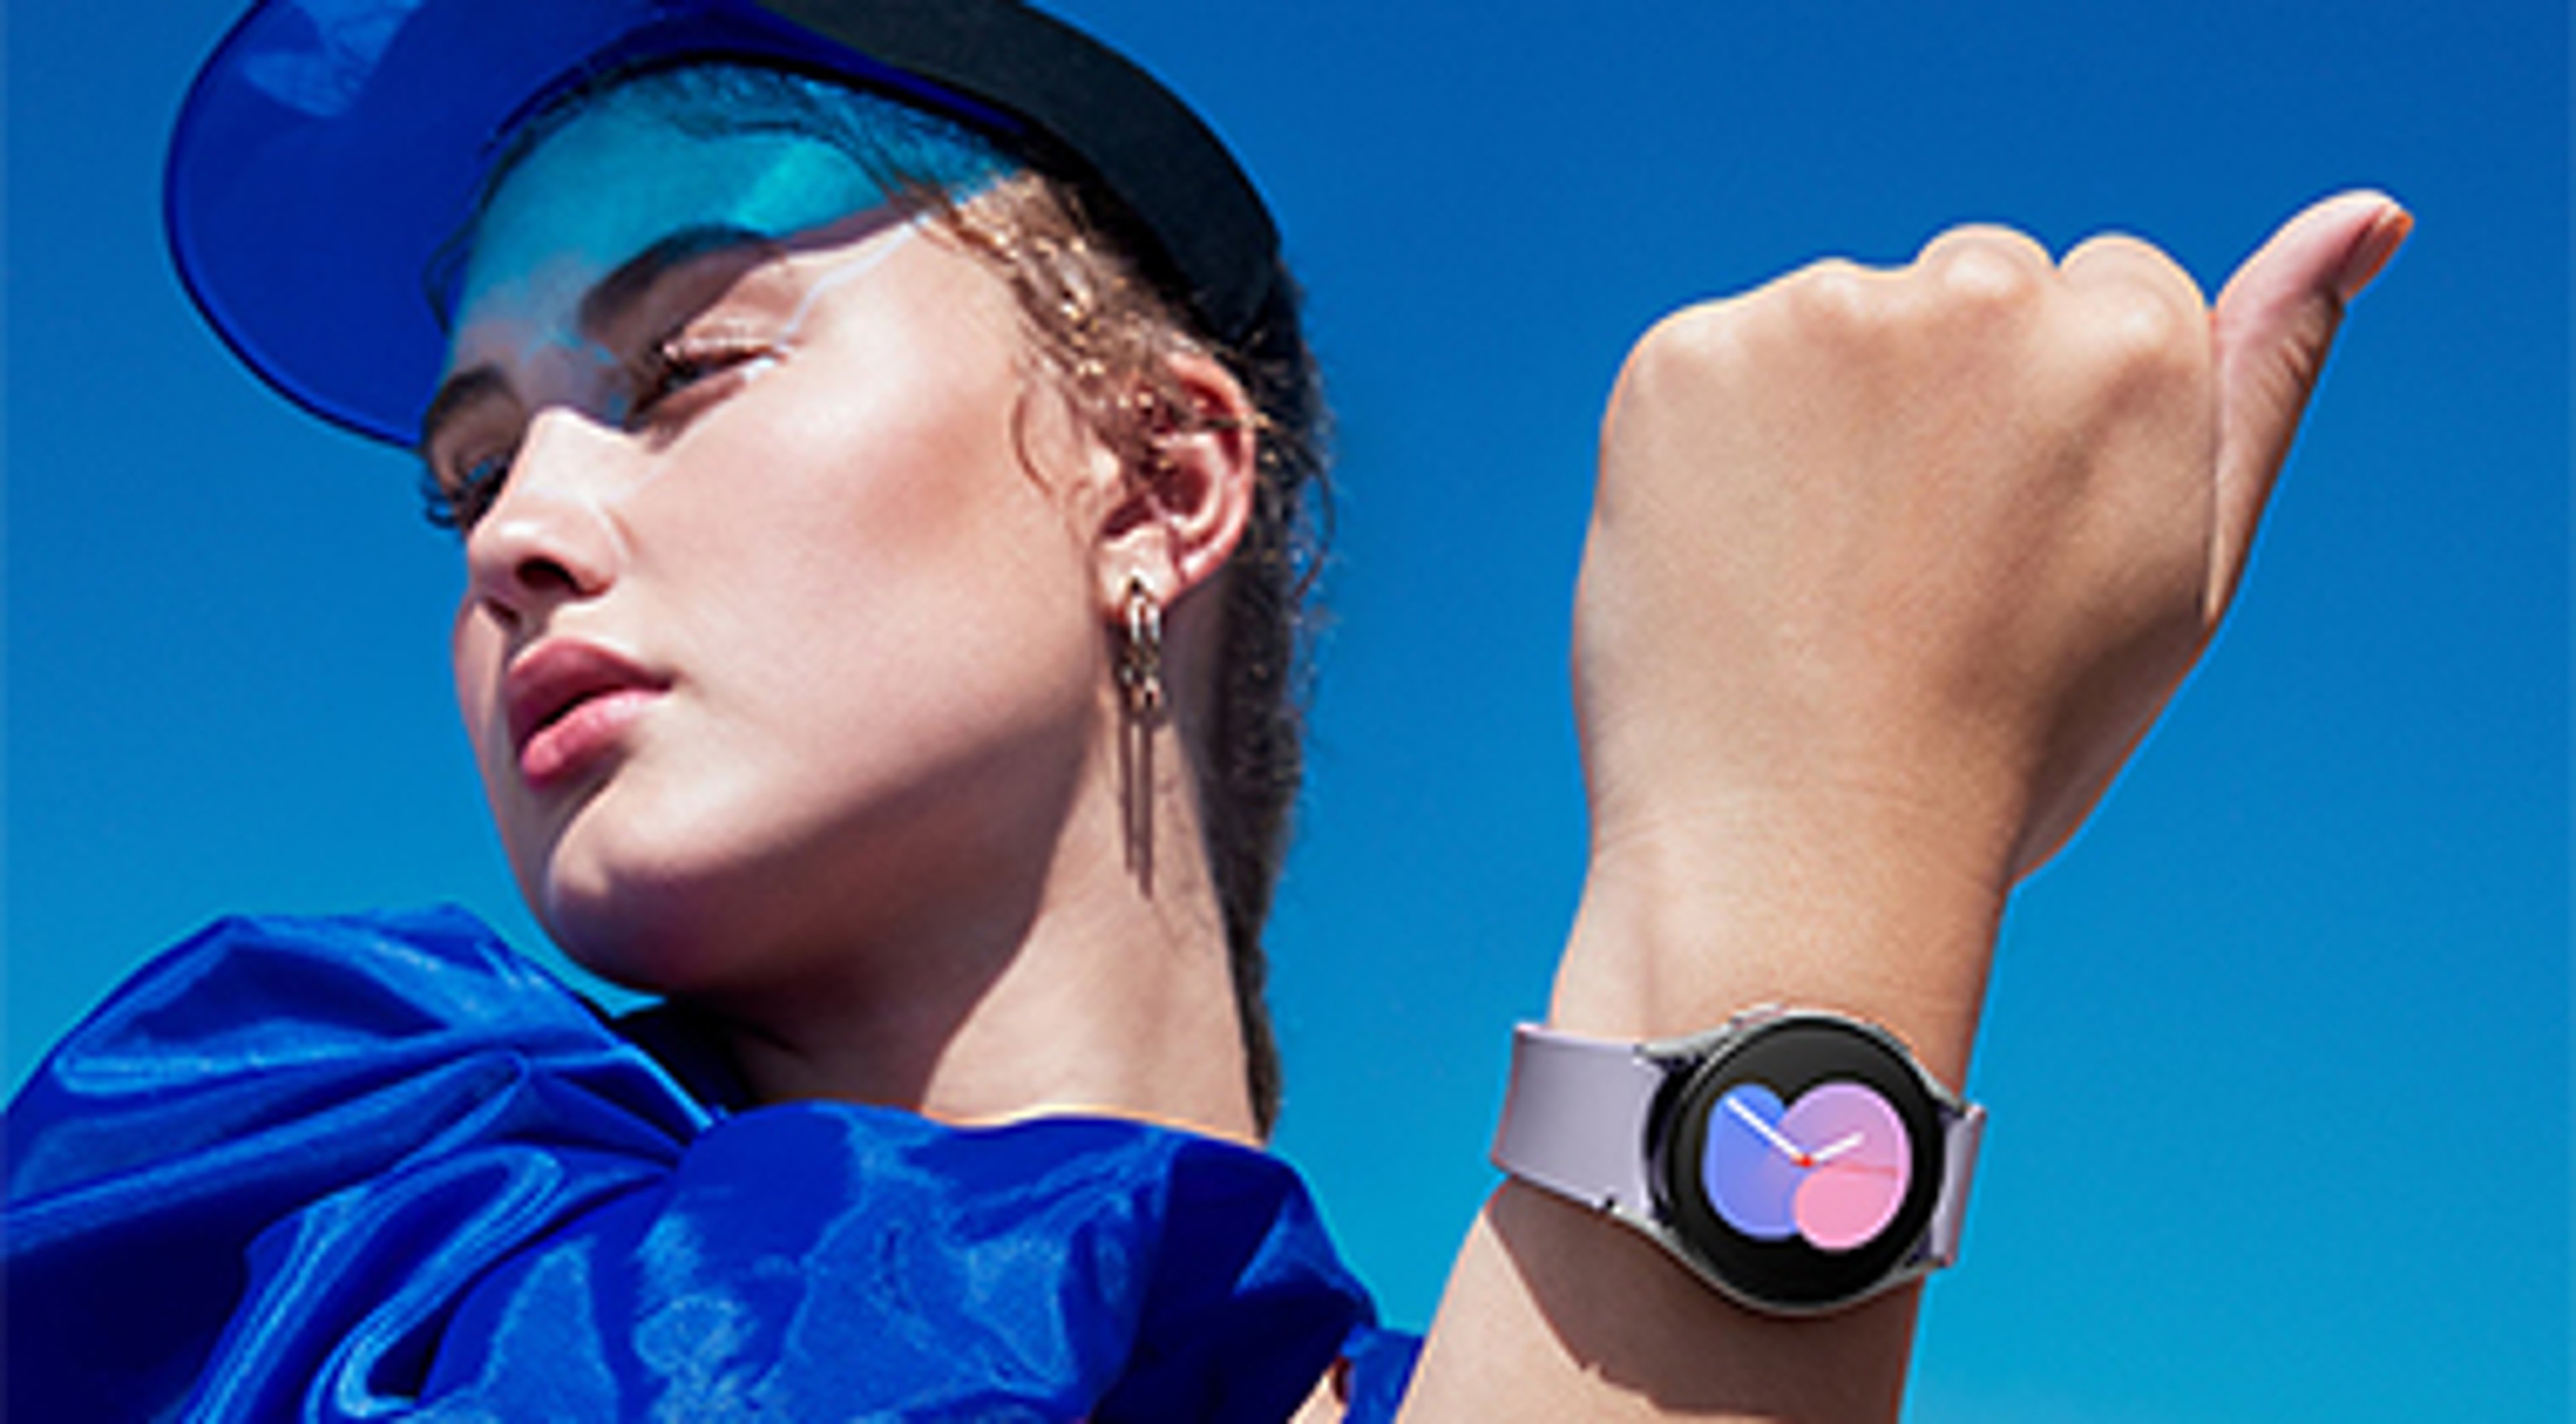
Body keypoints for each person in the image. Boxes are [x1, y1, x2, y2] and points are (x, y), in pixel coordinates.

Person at [3, 1, 2405, 1419]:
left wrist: (1840, 855)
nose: (520, 522)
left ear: (1161, 477)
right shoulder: (294, 1165)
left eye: (690, 359)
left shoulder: (1432, 1362)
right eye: (471, 470)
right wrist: (1813, 845)